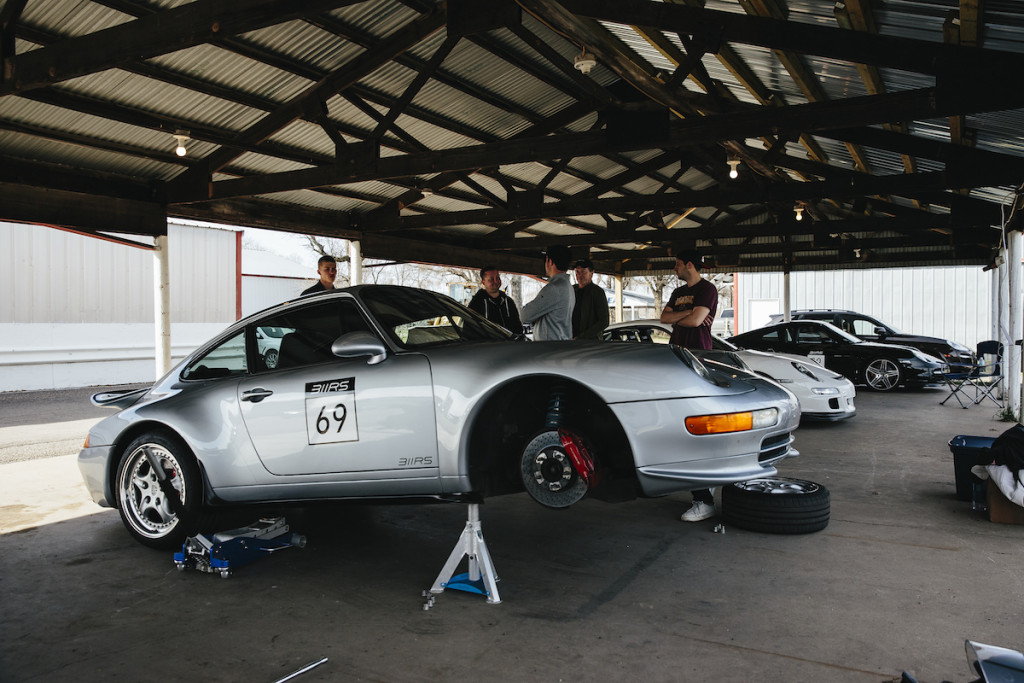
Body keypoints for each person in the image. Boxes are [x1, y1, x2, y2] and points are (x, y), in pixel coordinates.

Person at [660, 247, 719, 522]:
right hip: (675, 361)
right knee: (679, 425)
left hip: (698, 362)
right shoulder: (676, 292)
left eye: (677, 264)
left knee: (697, 426)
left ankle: (703, 498)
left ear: (689, 266)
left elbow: (696, 321)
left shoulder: (708, 290)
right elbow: (663, 318)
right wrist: (687, 317)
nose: (675, 269)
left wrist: (681, 317)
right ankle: (700, 487)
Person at [521, 245, 575, 341]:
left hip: (550, 348)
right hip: (561, 345)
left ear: (550, 261)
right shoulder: (568, 286)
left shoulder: (554, 288)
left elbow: (524, 316)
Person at [468, 266, 524, 334]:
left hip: (510, 343)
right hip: (489, 344)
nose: (496, 281)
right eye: (491, 279)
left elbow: (518, 327)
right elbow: (470, 329)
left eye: (497, 278)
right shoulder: (477, 303)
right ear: (483, 282)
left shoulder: (508, 302)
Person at [571, 258, 609, 340]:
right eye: (577, 272)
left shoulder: (597, 292)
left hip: (590, 343)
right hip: (571, 341)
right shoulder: (571, 290)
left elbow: (604, 321)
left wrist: (582, 337)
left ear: (591, 273)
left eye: (583, 272)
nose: (579, 275)